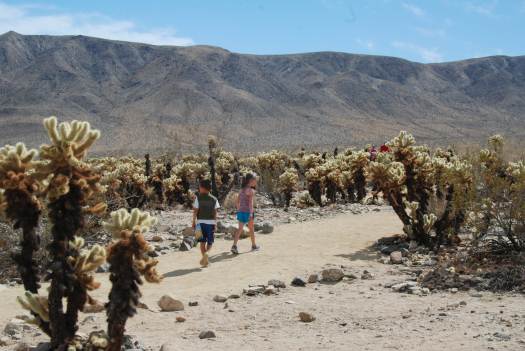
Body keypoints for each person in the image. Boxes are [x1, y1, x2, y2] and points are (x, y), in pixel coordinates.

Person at [192, 179, 220, 267]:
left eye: (199, 187)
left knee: (202, 242)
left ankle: (205, 258)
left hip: (200, 223)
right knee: (210, 242)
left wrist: (193, 222)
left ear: (203, 188)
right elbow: (215, 212)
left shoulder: (198, 198)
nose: (199, 189)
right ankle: (207, 255)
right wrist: (215, 223)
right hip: (211, 223)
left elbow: (195, 211)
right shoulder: (214, 199)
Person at [231, 173, 259, 254]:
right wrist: (250, 214)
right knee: (251, 229)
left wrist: (238, 209)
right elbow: (250, 203)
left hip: (241, 211)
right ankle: (254, 246)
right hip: (248, 212)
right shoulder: (251, 191)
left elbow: (237, 201)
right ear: (251, 181)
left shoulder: (242, 190)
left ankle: (234, 246)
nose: (256, 182)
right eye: (255, 180)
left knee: (239, 229)